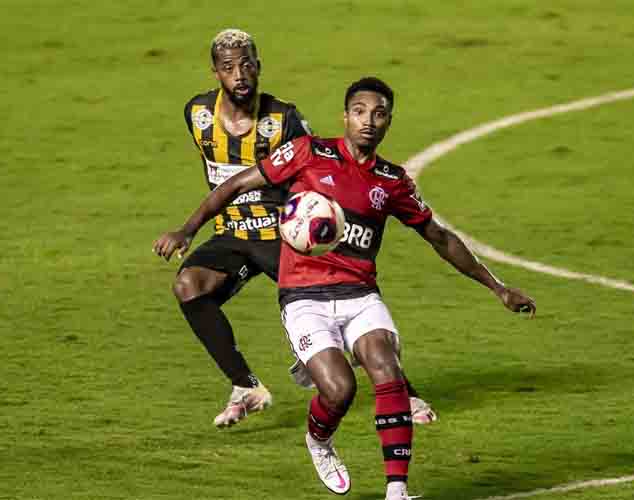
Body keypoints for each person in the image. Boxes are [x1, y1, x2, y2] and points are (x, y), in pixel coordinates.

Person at [154, 77, 536, 499]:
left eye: (379, 113)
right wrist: (188, 229)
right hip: (303, 296)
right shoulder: (308, 153)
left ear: (389, 121)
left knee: (386, 369)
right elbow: (237, 184)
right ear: (345, 116)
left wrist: (497, 287)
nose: (368, 121)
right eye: (359, 111)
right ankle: (318, 440)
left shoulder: (392, 181)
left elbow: (439, 237)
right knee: (340, 390)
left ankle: (397, 490)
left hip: (360, 294)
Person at [165, 30, 436, 429]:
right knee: (188, 284)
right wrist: (188, 230)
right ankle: (246, 387)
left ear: (258, 67)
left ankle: (404, 392)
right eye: (228, 68)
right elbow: (224, 178)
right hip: (233, 234)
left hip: (285, 233)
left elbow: (320, 170)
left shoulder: (284, 118)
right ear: (215, 73)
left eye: (246, 65)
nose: (239, 74)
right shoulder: (197, 114)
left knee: (340, 301)